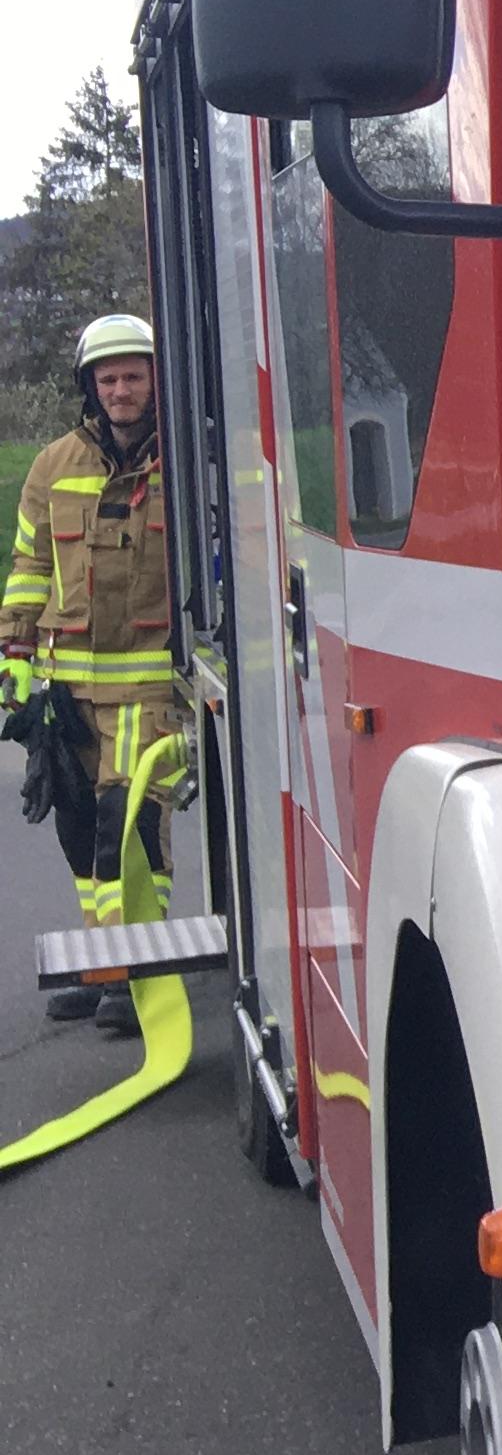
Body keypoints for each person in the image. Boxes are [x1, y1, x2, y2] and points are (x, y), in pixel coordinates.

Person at [5, 311, 185, 986]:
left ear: (154, 381)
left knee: (129, 822)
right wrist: (15, 665)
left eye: (132, 376)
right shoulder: (53, 466)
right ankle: (101, 957)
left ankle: (135, 964)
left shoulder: (192, 461)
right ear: (89, 387)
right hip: (65, 688)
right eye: (107, 378)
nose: (120, 390)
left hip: (148, 690)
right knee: (79, 826)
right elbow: (28, 568)